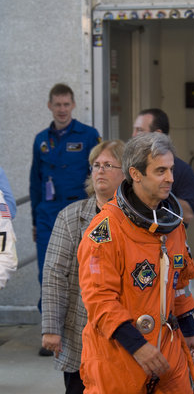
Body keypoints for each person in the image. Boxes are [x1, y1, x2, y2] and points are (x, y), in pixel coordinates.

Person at [78, 132, 194, 394]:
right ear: (135, 174)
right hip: (119, 355)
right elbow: (99, 300)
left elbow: (179, 281)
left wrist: (189, 329)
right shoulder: (107, 229)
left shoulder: (172, 223)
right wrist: (138, 346)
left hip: (167, 351)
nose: (170, 178)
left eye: (170, 169)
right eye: (160, 171)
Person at [41, 140, 125, 392]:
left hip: (126, 335)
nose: (100, 170)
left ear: (127, 172)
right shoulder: (70, 216)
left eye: (108, 165)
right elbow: (54, 274)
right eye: (96, 165)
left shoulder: (138, 218)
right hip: (80, 335)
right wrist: (51, 328)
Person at [29, 83, 101, 318]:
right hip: (47, 214)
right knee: (47, 271)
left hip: (80, 212)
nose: (62, 109)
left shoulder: (89, 135)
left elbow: (101, 175)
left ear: (73, 105)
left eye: (66, 104)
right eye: (57, 104)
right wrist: (34, 221)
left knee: (83, 269)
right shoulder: (41, 139)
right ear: (50, 106)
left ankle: (82, 323)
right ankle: (50, 326)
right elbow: (35, 182)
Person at [132, 108, 194, 225]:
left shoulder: (182, 170)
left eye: (139, 130)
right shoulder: (128, 164)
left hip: (167, 238)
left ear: (157, 134)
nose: (133, 135)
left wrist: (158, 195)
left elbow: (188, 215)